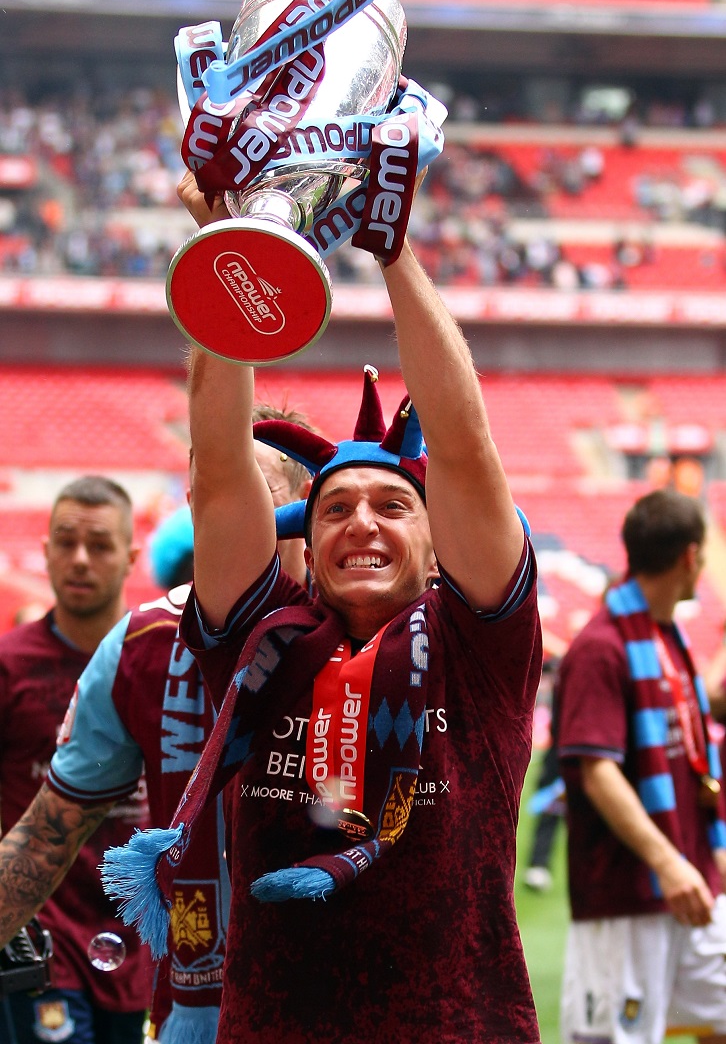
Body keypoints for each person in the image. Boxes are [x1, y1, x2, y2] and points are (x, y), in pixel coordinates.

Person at [103, 170, 543, 1044]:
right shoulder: (265, 641)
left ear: (435, 542)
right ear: (306, 538)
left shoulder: (479, 644)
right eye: (336, 508)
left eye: (392, 506)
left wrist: (394, 249)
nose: (361, 524)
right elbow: (222, 469)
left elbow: (463, 445)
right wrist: (233, 247)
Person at [0, 421, 313, 1044]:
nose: (234, 510)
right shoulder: (137, 646)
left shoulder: (370, 631)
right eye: (215, 490)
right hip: (179, 995)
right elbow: (43, 834)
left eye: (256, 492)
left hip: (339, 998)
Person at [557, 488, 726, 1044]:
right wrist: (669, 862)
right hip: (630, 892)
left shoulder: (664, 637)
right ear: (690, 557)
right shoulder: (601, 647)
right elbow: (597, 770)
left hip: (691, 884)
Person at [0, 475, 153, 1044]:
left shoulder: (161, 656)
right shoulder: (9, 666)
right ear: (44, 551)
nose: (80, 559)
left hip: (143, 942)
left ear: (130, 556)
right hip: (43, 942)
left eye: (100, 545)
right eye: (65, 542)